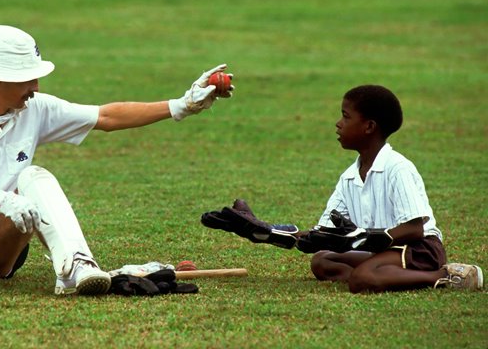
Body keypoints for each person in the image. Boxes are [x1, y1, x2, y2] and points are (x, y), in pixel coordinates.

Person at [0, 25, 233, 300]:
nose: (36, 86)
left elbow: (106, 116)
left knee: (34, 176)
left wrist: (181, 105)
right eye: (27, 77)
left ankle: (76, 266)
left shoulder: (36, 107)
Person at [201, 85, 483, 293]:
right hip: (383, 251)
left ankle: (444, 276)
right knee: (322, 261)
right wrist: (265, 232)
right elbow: (321, 237)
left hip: (419, 249)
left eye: (346, 117)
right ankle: (383, 272)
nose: (338, 123)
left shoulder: (398, 168)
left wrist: (363, 239)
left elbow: (414, 229)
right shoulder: (349, 177)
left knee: (362, 281)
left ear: (369, 126)